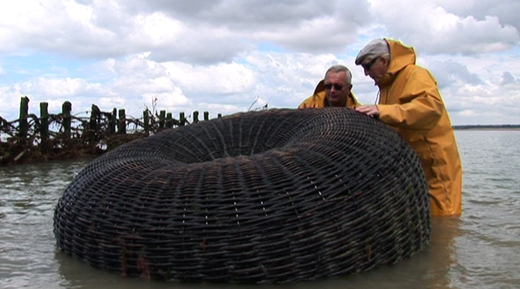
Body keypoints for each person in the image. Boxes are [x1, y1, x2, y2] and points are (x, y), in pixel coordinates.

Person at [354, 38, 462, 217]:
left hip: (435, 165)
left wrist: (382, 110)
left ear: (383, 61)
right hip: (411, 166)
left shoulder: (416, 75)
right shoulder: (386, 86)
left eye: (368, 66)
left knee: (444, 217)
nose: (366, 73)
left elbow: (430, 108)